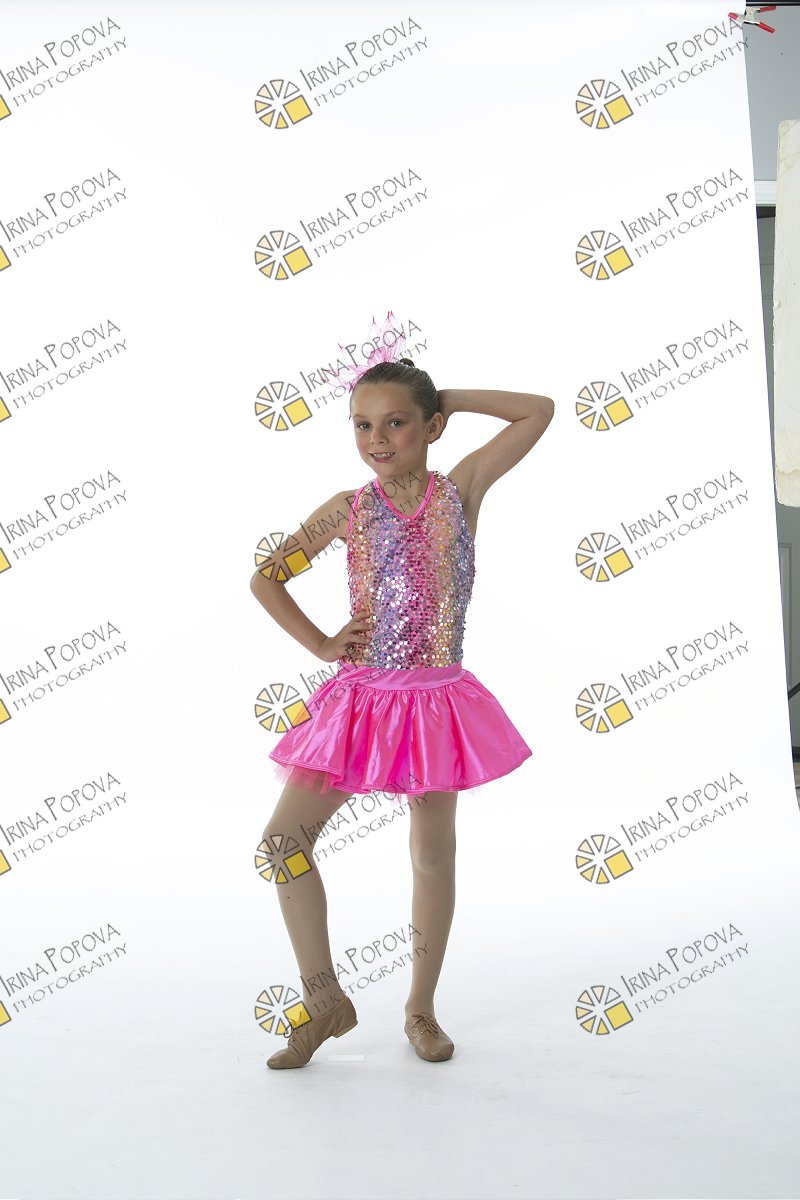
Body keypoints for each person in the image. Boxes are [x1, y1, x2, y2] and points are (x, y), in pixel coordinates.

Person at [250, 312, 554, 1070]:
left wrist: (447, 396)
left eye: (396, 422)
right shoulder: (347, 510)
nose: (377, 438)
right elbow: (267, 577)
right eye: (362, 424)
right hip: (360, 702)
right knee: (283, 844)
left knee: (431, 856)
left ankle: (420, 1008)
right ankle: (324, 998)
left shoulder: (461, 491)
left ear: (432, 427)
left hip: (436, 702)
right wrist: (323, 643)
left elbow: (538, 411)